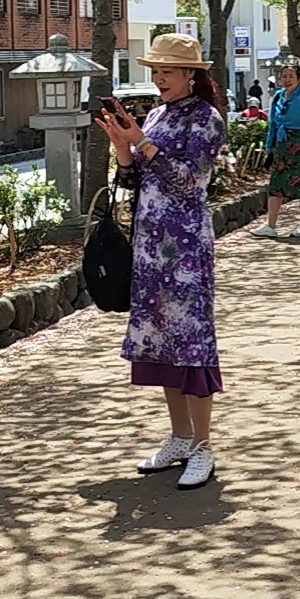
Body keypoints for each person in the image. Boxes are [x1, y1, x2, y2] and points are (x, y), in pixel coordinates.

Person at [94, 33, 227, 491]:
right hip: (150, 247)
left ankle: (203, 447)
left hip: (186, 249)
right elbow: (134, 182)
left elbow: (190, 182)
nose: (159, 79)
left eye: (167, 72)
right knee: (163, 343)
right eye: (155, 72)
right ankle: (179, 437)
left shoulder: (207, 120)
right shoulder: (154, 115)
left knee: (192, 343)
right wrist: (123, 148)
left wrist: (144, 143)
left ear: (191, 74)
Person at [251, 63, 300, 239]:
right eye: (284, 76)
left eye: (291, 76)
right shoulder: (277, 97)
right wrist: (269, 146)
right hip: (282, 145)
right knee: (276, 185)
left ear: (299, 78)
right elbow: (273, 124)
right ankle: (271, 225)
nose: (287, 79)